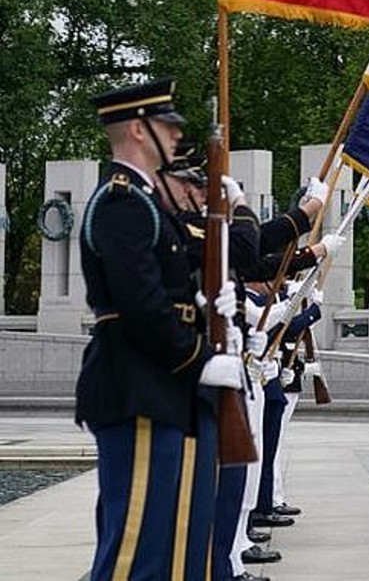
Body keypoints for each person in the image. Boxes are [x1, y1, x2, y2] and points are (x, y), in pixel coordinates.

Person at [75, 78, 245, 581]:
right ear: (137, 129)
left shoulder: (147, 202)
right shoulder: (122, 202)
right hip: (139, 387)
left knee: (176, 548)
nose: (175, 136)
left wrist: (207, 302)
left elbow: (168, 288)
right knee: (138, 553)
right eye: (166, 126)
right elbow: (141, 305)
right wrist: (200, 357)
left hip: (162, 386)